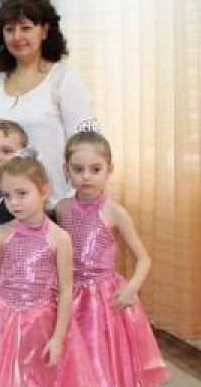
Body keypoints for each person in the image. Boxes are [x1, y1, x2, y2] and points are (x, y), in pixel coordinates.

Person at [56, 132, 169, 387]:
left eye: (95, 169)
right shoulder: (62, 209)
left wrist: (131, 288)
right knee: (72, 359)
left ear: (110, 170)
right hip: (69, 293)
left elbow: (144, 258)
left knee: (102, 357)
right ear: (66, 170)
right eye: (78, 169)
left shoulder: (115, 212)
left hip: (104, 299)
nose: (86, 177)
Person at [0, 156, 96, 386]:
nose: (13, 203)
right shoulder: (0, 234)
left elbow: (66, 291)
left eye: (22, 194)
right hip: (3, 320)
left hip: (41, 323)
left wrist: (58, 337)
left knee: (38, 377)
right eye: (7, 195)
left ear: (44, 191)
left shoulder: (59, 238)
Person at [0, 0, 96, 205]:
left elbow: (86, 146)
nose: (17, 36)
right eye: (9, 29)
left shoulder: (64, 79)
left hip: (53, 205)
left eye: (26, 28)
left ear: (44, 31)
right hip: (5, 207)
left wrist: (73, 203)